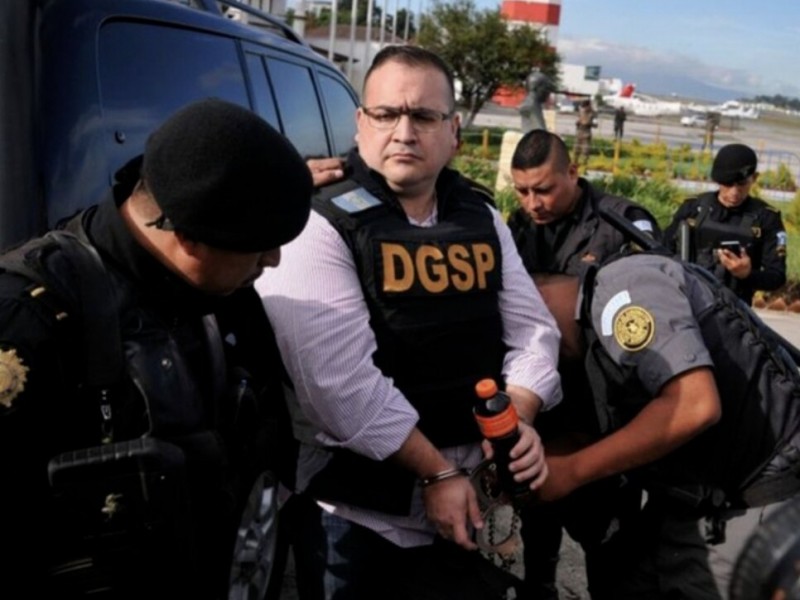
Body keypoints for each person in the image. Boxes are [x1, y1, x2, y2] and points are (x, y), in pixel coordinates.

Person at [257, 45, 563, 600]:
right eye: (386, 114)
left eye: (423, 116)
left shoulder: (480, 216)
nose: (403, 132)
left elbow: (534, 331)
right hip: (359, 513)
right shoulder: (318, 220)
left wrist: (516, 419)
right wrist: (435, 472)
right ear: (360, 123)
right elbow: (338, 384)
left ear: (453, 132)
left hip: (466, 503)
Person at [0, 98, 314, 598]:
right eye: (260, 245)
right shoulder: (31, 322)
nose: (272, 261)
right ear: (190, 238)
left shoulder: (219, 294)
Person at [533, 246, 800, 599]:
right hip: (687, 503)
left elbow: (694, 405)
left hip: (753, 497)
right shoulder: (581, 350)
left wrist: (571, 470)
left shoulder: (623, 290)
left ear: (535, 301)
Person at [506, 128, 661, 599]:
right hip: (543, 402)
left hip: (603, 412)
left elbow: (655, 315)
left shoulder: (623, 225)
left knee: (608, 543)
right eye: (522, 191)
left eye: (543, 189)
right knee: (538, 521)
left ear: (573, 172)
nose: (533, 203)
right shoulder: (517, 227)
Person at [663, 143, 787, 306]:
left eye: (742, 184)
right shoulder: (693, 208)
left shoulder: (766, 218)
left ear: (754, 178)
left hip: (734, 309)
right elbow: (663, 252)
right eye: (728, 184)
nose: (734, 193)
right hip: (687, 302)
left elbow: (777, 276)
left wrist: (747, 274)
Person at [519, 68, 556, 133]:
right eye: (546, 89)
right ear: (537, 88)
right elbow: (541, 132)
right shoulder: (534, 105)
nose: (548, 93)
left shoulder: (527, 103)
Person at [573, 99, 596, 167]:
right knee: (576, 149)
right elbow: (577, 121)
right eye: (583, 106)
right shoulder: (581, 112)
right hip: (579, 132)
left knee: (585, 151)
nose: (584, 108)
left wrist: (589, 123)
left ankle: (584, 165)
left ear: (589, 106)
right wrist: (578, 122)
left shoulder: (592, 114)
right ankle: (574, 164)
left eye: (586, 106)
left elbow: (596, 125)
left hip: (586, 133)